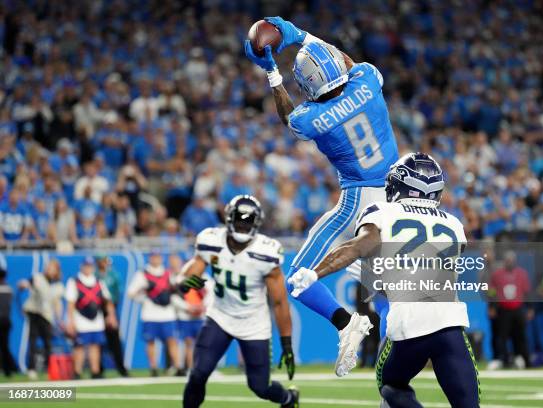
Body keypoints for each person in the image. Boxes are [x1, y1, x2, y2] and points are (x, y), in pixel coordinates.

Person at [245, 16, 399, 376]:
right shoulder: (369, 80)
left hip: (359, 201)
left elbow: (288, 116)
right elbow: (343, 62)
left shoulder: (312, 117)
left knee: (298, 276)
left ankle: (347, 323)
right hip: (396, 198)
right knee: (387, 290)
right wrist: (301, 35)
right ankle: (395, 370)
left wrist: (272, 73)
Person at [289, 153, 479, 407]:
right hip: (451, 325)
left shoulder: (382, 211)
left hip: (408, 326)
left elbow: (359, 246)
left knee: (391, 387)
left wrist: (316, 272)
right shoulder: (454, 224)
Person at [180, 195, 298, 408]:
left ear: (257, 223)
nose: (243, 225)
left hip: (253, 324)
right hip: (220, 316)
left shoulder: (266, 253)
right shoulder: (210, 240)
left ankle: (288, 398)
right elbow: (190, 274)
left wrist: (287, 343)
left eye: (248, 221)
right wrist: (186, 283)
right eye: (239, 220)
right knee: (198, 373)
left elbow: (280, 302)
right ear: (228, 218)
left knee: (260, 387)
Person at [127, 251, 181, 376]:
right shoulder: (142, 274)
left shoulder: (169, 273)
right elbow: (131, 293)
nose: (156, 259)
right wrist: (144, 297)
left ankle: (178, 367)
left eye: (158, 257)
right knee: (151, 341)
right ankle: (154, 368)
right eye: (154, 257)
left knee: (172, 340)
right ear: (150, 258)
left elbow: (178, 288)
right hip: (150, 313)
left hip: (168, 313)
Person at [65, 257, 118, 379]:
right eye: (86, 265)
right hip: (81, 318)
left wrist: (111, 316)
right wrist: (71, 322)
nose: (88, 268)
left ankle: (95, 371)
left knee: (96, 345)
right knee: (79, 346)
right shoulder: (74, 281)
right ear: (82, 266)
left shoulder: (99, 281)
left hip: (96, 319)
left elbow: (108, 301)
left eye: (90, 266)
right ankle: (77, 372)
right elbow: (71, 304)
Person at [18, 259, 64, 380]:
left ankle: (48, 367)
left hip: (47, 315)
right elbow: (28, 282)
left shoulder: (58, 285)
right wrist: (24, 284)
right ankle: (32, 368)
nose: (50, 269)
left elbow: (57, 303)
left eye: (53, 268)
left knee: (48, 343)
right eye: (49, 267)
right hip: (34, 312)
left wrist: (60, 319)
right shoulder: (38, 277)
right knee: (32, 340)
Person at [169, 254, 212, 372]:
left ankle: (205, 368)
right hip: (186, 317)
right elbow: (174, 297)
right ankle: (191, 368)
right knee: (188, 343)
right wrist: (188, 307)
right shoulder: (180, 279)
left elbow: (211, 294)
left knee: (204, 344)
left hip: (202, 316)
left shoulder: (206, 277)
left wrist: (203, 306)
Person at [488, 251, 532, 368]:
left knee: (520, 336)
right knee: (502, 336)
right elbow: (492, 292)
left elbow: (527, 292)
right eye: (507, 260)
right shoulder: (497, 274)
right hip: (503, 309)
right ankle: (505, 360)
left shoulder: (522, 274)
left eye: (511, 260)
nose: (509, 263)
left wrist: (530, 308)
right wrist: (491, 307)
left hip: (518, 309)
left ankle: (525, 360)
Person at [95, 254, 129, 377]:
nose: (106, 264)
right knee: (97, 341)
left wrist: (111, 313)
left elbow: (116, 295)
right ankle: (98, 369)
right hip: (96, 310)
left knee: (114, 340)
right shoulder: (94, 276)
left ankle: (121, 368)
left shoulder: (114, 275)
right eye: (103, 261)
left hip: (111, 308)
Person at [0, 266, 17, 376]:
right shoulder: (9, 288)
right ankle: (9, 369)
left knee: (4, 347)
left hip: (3, 321)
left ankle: (9, 368)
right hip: (6, 321)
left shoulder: (5, 289)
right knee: (5, 346)